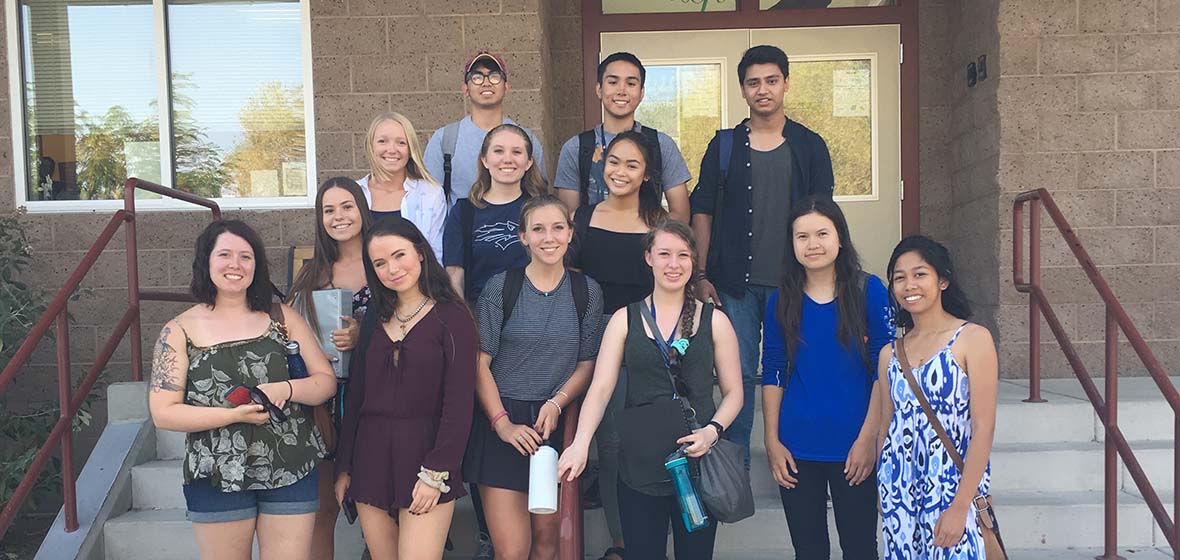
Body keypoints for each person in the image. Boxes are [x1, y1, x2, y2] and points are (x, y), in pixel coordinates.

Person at [148, 220, 336, 560]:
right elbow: (164, 412)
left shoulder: (282, 318)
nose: (235, 264)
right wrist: (231, 416)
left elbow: (324, 382)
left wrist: (287, 388)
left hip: (290, 464)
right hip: (216, 472)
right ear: (206, 262)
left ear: (257, 266)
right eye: (224, 255)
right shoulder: (177, 331)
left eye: (245, 257)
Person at [558, 220, 743, 560]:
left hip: (696, 458)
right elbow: (599, 389)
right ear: (649, 258)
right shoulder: (624, 320)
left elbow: (734, 393)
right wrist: (580, 444)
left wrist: (712, 432)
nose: (674, 264)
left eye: (683, 255)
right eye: (665, 254)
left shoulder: (714, 320)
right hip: (639, 463)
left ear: (693, 261)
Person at [689, 44, 835, 462]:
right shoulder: (724, 146)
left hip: (796, 282)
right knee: (740, 377)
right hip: (734, 285)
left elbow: (823, 217)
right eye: (754, 82)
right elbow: (702, 211)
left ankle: (802, 458)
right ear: (742, 89)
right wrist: (700, 275)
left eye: (772, 80)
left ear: (786, 83)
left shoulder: (810, 146)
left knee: (801, 371)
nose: (763, 89)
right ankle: (735, 468)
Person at [464, 194, 604, 560]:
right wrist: (502, 424)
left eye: (558, 228)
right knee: (512, 549)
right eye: (538, 229)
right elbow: (480, 364)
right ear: (523, 237)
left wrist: (558, 402)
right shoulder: (500, 287)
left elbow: (587, 363)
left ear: (570, 234)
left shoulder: (586, 291)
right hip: (502, 422)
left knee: (547, 541)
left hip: (550, 425)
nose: (549, 237)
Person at [333, 216, 478, 560]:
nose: (392, 269)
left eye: (399, 255)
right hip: (370, 458)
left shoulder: (453, 317)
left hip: (427, 458)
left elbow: (459, 402)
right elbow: (356, 396)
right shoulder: (373, 317)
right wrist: (344, 466)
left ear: (421, 253)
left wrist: (437, 471)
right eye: (380, 263)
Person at [761, 196, 893, 559]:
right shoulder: (779, 299)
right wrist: (772, 439)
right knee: (809, 550)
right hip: (796, 445)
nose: (812, 244)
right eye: (801, 236)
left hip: (855, 445)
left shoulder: (870, 290)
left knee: (860, 548)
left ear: (840, 238)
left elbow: (885, 368)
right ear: (791, 243)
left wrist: (869, 439)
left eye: (822, 233)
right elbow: (773, 368)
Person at [567, 130, 664, 560]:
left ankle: (652, 539)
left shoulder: (659, 222)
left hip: (650, 339)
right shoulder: (583, 218)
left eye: (632, 165)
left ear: (646, 174)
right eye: (614, 162)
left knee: (651, 440)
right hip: (597, 338)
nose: (620, 172)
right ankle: (621, 542)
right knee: (610, 444)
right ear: (601, 165)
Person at [878, 235, 998, 558]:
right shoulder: (890, 353)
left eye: (920, 274)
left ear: (942, 280)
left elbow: (983, 428)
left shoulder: (972, 339)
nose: (909, 285)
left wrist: (960, 507)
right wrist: (882, 486)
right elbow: (887, 422)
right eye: (899, 277)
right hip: (899, 489)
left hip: (951, 486)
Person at [284, 177, 373, 559]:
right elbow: (287, 330)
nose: (339, 217)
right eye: (328, 210)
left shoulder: (385, 258)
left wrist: (363, 332)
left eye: (347, 206)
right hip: (323, 403)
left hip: (376, 398)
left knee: (379, 504)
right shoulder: (312, 272)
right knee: (323, 510)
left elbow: (415, 318)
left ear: (363, 209)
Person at [555, 52, 693, 224]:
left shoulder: (661, 144)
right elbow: (568, 220)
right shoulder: (576, 147)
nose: (621, 90)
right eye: (613, 82)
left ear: (641, 92)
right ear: (599, 89)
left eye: (631, 83)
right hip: (592, 246)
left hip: (646, 245)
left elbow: (680, 216)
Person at [443, 123, 549, 304]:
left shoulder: (543, 210)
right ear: (484, 160)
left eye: (516, 152)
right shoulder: (464, 212)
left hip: (535, 317)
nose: (507, 159)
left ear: (529, 162)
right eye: (498, 151)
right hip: (481, 316)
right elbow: (455, 275)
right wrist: (462, 320)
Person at [424, 51, 546, 204]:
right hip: (463, 226)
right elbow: (428, 202)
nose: (486, 83)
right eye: (477, 77)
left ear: (506, 87)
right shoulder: (445, 140)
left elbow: (539, 196)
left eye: (494, 76)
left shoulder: (527, 140)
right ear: (465, 89)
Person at [358, 112, 447, 260]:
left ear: (410, 149)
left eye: (401, 142)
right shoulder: (355, 193)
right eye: (382, 141)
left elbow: (436, 255)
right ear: (370, 146)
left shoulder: (431, 194)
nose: (392, 149)